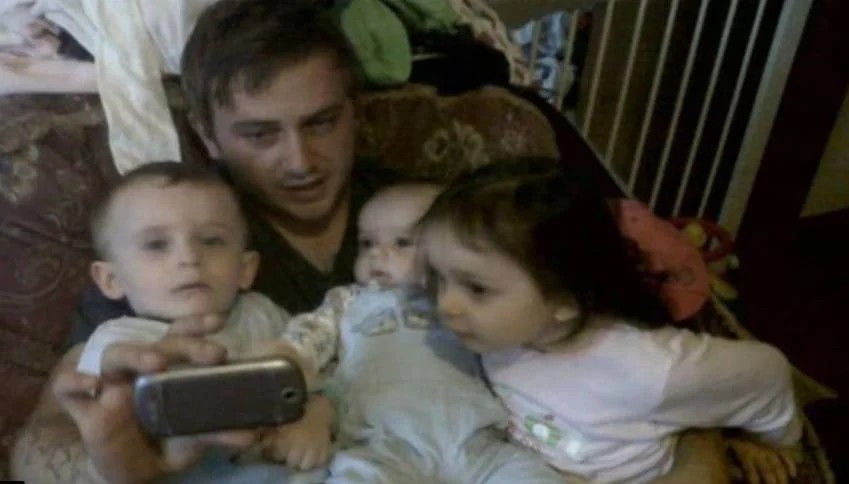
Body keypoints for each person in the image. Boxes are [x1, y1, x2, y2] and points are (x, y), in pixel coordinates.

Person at [11, 1, 731, 482]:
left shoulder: (435, 215)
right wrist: (112, 454)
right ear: (207, 134)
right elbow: (38, 444)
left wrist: (694, 448)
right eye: (259, 134)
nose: (299, 161)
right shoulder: (182, 246)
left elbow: (622, 340)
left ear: (356, 111)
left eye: (321, 123)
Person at [418, 159, 803, 483]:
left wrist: (771, 440)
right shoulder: (499, 332)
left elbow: (766, 370)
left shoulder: (651, 368)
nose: (445, 304)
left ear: (564, 301)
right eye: (438, 277)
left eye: (476, 288)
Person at [264, 182, 561, 482]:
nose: (377, 254)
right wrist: (290, 354)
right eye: (366, 243)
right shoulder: (349, 300)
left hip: (475, 437)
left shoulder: (458, 302)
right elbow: (313, 332)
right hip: (382, 442)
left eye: (402, 242)